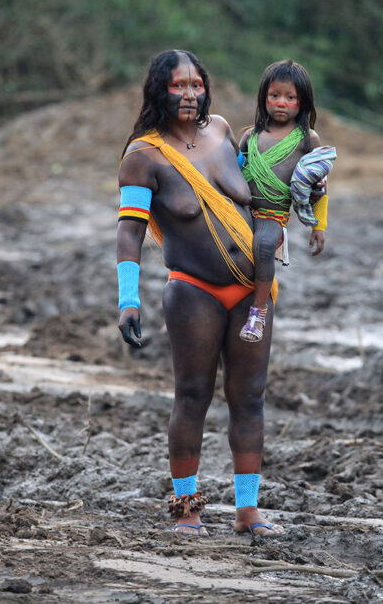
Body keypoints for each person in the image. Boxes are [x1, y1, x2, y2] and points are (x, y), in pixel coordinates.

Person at [116, 49, 283, 537]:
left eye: (196, 85)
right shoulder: (143, 157)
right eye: (177, 86)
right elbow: (129, 232)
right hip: (194, 293)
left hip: (254, 292)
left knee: (249, 398)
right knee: (192, 396)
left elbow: (267, 186)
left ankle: (248, 511)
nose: (189, 94)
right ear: (158, 91)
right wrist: (128, 298)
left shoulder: (223, 132)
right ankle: (186, 510)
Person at [237, 59, 335, 343]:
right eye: (275, 96)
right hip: (241, 209)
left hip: (273, 216)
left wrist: (319, 226)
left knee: (264, 245)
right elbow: (232, 170)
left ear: (302, 102)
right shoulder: (250, 136)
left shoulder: (307, 140)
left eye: (290, 97)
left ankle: (258, 311)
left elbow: (320, 186)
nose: (281, 103)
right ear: (263, 98)